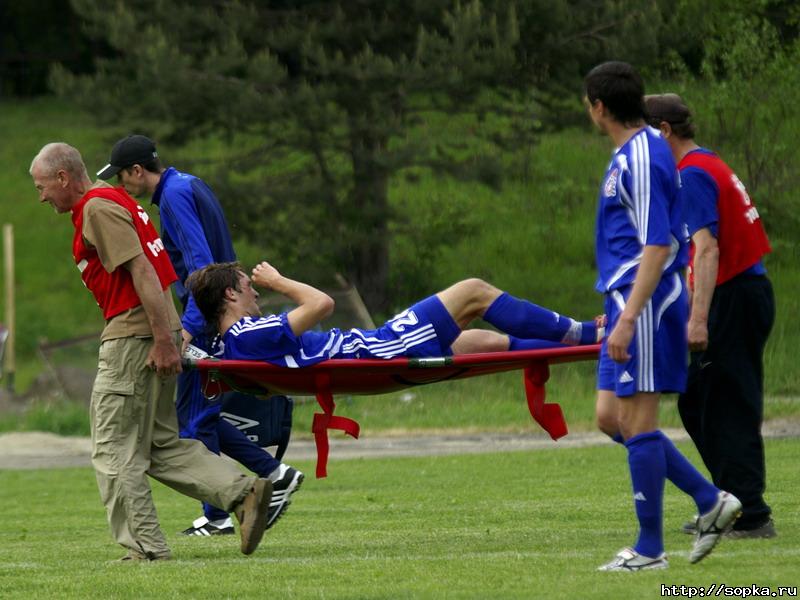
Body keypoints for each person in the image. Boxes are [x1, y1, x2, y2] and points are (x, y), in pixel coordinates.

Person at [29, 142, 273, 561]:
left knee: (113, 448)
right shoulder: (116, 199)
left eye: (42, 186)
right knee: (160, 445)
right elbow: (153, 268)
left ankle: (147, 549)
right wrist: (170, 332)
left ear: (63, 177)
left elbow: (142, 269)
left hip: (133, 339)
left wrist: (164, 338)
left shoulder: (97, 208)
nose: (41, 196)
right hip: (151, 333)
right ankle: (244, 493)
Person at [97, 135, 301, 536]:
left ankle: (233, 504)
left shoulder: (172, 197)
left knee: (193, 422)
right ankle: (265, 479)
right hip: (218, 313)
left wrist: (189, 328)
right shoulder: (189, 182)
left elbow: (201, 267)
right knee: (196, 417)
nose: (123, 186)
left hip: (206, 319)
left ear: (138, 171)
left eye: (123, 177)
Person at [584, 62, 741, 572]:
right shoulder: (629, 152)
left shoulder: (644, 153)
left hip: (645, 301)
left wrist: (630, 316)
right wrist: (614, 304)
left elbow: (656, 242)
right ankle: (707, 498)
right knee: (612, 417)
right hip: (624, 296)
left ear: (598, 106)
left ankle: (650, 549)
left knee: (640, 420)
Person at [644, 93, 775, 539]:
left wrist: (698, 320)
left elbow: (708, 248)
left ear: (663, 131)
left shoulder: (692, 174)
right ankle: (727, 503)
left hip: (735, 295)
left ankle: (750, 514)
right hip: (740, 293)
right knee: (698, 399)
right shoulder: (706, 163)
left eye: (645, 135)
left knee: (725, 405)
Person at [185, 261, 602, 369]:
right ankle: (584, 333)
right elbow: (321, 305)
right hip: (382, 348)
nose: (255, 290)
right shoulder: (248, 333)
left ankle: (587, 342)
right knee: (474, 290)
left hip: (375, 348)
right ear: (230, 294)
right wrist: (280, 280)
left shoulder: (235, 341)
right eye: (248, 285)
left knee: (484, 342)